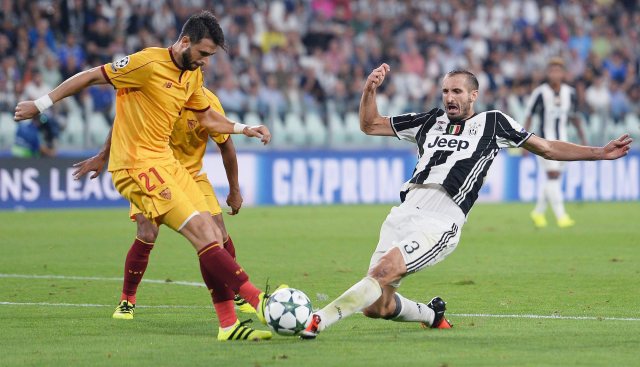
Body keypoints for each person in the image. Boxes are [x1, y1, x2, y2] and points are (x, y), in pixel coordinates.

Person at [300, 64, 632, 339]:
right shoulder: (429, 121)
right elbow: (370, 125)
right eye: (446, 91)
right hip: (403, 212)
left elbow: (546, 147)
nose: (449, 98)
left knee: (382, 272)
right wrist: (369, 90)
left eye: (457, 91)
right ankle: (431, 315)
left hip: (441, 220)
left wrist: (599, 153)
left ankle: (317, 320)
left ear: (473, 95)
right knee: (377, 306)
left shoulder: (493, 123)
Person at [15, 11, 279, 341]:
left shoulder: (192, 76)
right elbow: (90, 76)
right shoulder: (146, 64)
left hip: (166, 163)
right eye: (202, 54)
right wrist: (41, 104)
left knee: (212, 231)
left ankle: (228, 325)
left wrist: (245, 129)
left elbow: (208, 117)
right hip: (136, 165)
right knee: (195, 233)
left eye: (210, 56)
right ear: (185, 42)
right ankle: (261, 301)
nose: (205, 62)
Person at [72, 87, 256, 319]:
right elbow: (123, 120)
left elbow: (226, 145)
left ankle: (234, 288)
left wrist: (234, 189)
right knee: (147, 232)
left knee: (217, 232)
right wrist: (103, 155)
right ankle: (127, 299)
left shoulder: (208, 102)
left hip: (191, 175)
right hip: (149, 169)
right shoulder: (157, 92)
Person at [523, 58, 588, 228]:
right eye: (552, 70)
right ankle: (562, 216)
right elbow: (529, 115)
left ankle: (538, 212)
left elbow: (574, 116)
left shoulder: (570, 93)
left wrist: (582, 138)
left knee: (554, 179)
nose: (555, 73)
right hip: (544, 142)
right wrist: (523, 141)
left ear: (563, 73)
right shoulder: (540, 92)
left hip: (564, 142)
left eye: (558, 70)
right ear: (548, 73)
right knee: (552, 175)